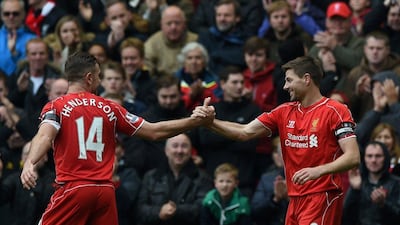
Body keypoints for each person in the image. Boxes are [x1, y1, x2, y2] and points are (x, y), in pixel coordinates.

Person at [19, 52, 214, 225]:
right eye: (98, 76)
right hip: (105, 192)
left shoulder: (56, 106)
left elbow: (45, 135)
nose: (100, 81)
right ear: (89, 78)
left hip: (75, 188)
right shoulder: (110, 108)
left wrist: (30, 162)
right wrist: (193, 121)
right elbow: (155, 131)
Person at [193, 56, 360, 225]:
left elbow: (353, 157)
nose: (285, 86)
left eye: (289, 80)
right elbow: (244, 131)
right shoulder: (284, 111)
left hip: (323, 195)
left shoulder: (335, 111)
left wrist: (319, 171)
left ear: (306, 79)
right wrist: (210, 123)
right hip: (294, 199)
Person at [190, 66, 263, 197]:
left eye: (242, 82)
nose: (239, 86)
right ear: (223, 84)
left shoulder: (253, 110)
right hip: (212, 181)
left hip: (244, 181)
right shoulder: (212, 110)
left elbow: (250, 142)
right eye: (234, 82)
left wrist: (217, 132)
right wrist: (239, 133)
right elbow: (205, 139)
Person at [136, 133, 213, 225]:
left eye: (184, 146)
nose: (179, 151)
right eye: (175, 146)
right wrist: (159, 212)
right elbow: (139, 209)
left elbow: (203, 208)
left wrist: (177, 210)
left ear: (190, 151)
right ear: (166, 150)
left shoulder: (203, 178)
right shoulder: (150, 177)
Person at [342, 141, 400, 225]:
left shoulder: (396, 183)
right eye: (369, 156)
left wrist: (384, 203)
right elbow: (346, 216)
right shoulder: (359, 181)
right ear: (364, 159)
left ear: (386, 158)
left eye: (378, 156)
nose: (373, 160)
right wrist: (355, 190)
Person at [0, 141, 55, 225]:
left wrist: (34, 174)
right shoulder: (14, 179)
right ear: (22, 158)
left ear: (45, 157)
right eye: (27, 154)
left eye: (35, 152)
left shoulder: (54, 180)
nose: (31, 158)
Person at [144, 5, 197, 77]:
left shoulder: (196, 41)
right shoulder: (152, 44)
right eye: (169, 23)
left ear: (184, 24)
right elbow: (147, 72)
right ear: (161, 25)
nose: (173, 27)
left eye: (177, 23)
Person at [197, 0, 248, 75]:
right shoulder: (205, 36)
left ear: (237, 18)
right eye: (218, 15)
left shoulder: (245, 39)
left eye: (227, 15)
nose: (222, 19)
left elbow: (243, 60)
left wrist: (216, 55)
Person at [250, 136, 288, 225]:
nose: (279, 156)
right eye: (279, 152)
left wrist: (290, 198)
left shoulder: (307, 176)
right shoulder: (267, 178)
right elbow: (255, 212)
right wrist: (275, 199)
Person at [175, 42, 221, 111]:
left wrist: (204, 92)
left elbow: (217, 104)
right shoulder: (175, 80)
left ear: (204, 61)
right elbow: (173, 105)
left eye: (198, 58)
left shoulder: (214, 80)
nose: (194, 62)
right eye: (189, 58)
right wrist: (191, 95)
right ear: (184, 62)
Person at [0, 0, 37, 76]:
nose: (11, 17)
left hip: (22, 83)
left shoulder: (33, 39)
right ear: (1, 15)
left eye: (15, 14)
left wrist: (15, 53)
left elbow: (34, 66)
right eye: (7, 14)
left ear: (23, 14)